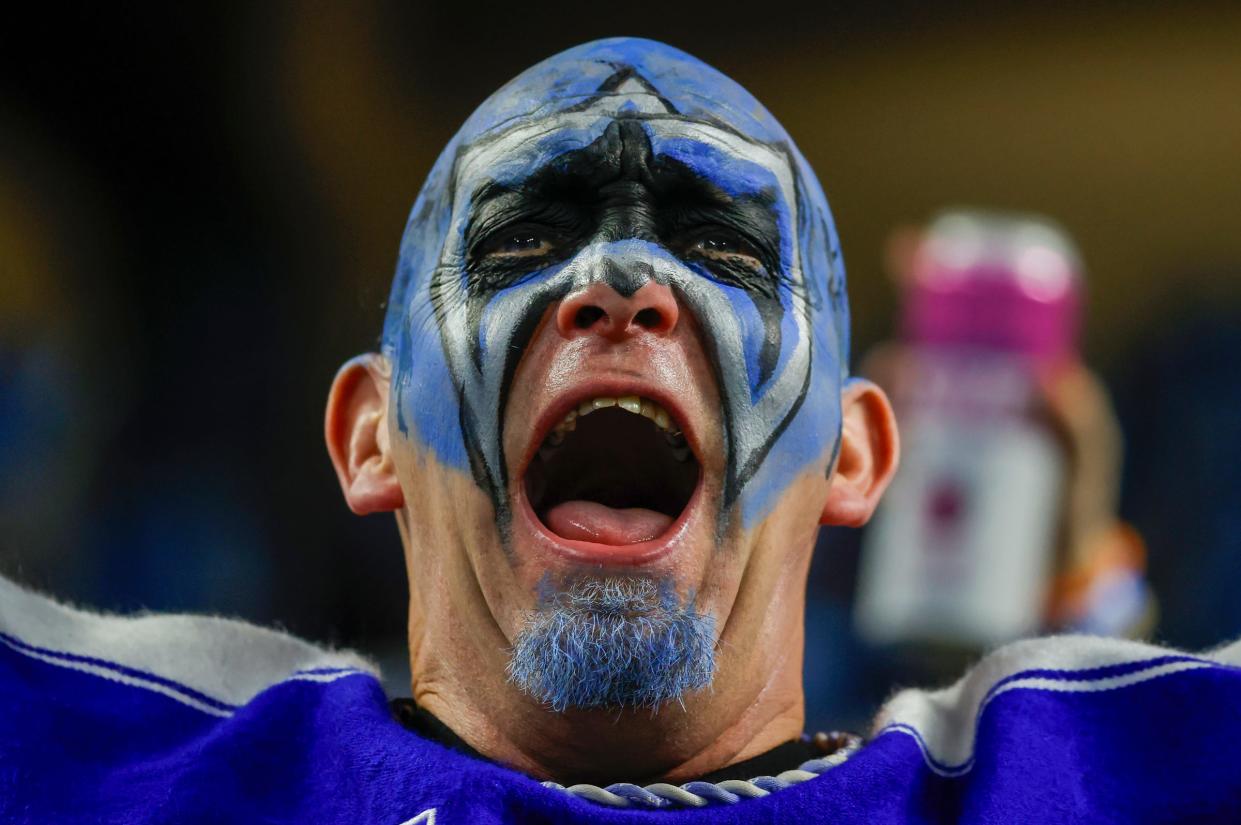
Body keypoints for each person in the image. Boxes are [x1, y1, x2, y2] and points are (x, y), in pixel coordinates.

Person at [2, 37, 1239, 824]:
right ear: (370, 433)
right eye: (523, 237)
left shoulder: (1023, 788)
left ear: (855, 455)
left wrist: (1077, 578)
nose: (620, 275)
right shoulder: (153, 762)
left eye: (720, 245)